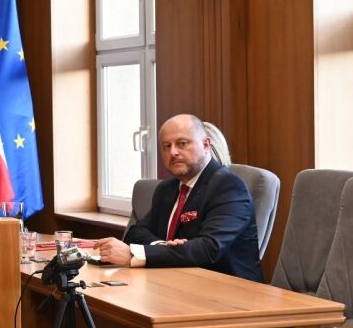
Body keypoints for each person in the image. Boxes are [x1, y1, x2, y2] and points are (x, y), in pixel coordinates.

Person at [96, 114, 262, 282]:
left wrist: (136, 254)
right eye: (166, 146)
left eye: (182, 143)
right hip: (178, 281)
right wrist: (160, 246)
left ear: (206, 145)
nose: (173, 152)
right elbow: (136, 233)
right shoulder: (167, 189)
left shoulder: (228, 187)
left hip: (228, 288)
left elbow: (208, 248)